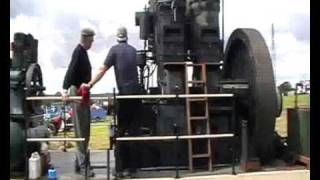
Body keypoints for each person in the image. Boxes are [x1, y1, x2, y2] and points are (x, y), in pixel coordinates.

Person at [83, 26, 141, 177]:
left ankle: (120, 169)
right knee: (134, 131)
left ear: (117, 37)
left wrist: (90, 84)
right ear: (126, 37)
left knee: (120, 131)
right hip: (137, 94)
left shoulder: (114, 50)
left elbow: (102, 69)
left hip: (125, 95)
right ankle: (133, 169)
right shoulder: (133, 50)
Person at [61, 28, 95, 177]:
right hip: (77, 93)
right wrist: (64, 90)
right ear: (86, 38)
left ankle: (79, 162)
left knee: (85, 129)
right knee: (81, 131)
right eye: (91, 40)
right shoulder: (78, 52)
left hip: (83, 94)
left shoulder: (83, 53)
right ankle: (83, 166)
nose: (92, 42)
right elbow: (70, 70)